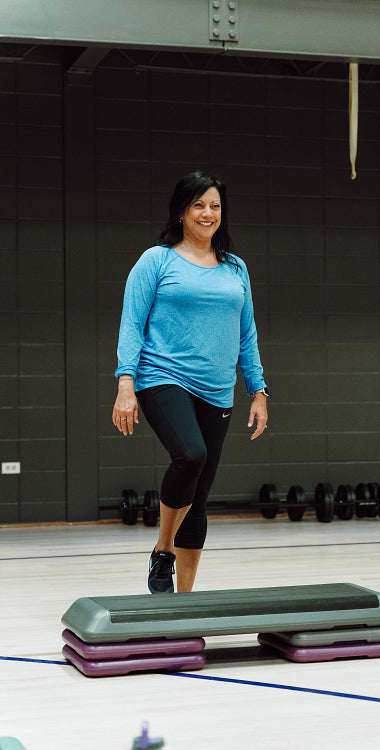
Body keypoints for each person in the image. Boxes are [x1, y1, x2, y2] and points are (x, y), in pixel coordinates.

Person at [112, 171, 268, 595]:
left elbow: (246, 332)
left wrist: (258, 390)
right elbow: (132, 324)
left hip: (217, 387)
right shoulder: (156, 261)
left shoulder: (236, 268)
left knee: (199, 497)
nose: (207, 213)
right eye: (198, 204)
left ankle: (184, 602)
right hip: (162, 376)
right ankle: (162, 549)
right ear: (181, 211)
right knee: (190, 454)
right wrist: (126, 384)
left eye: (215, 205)